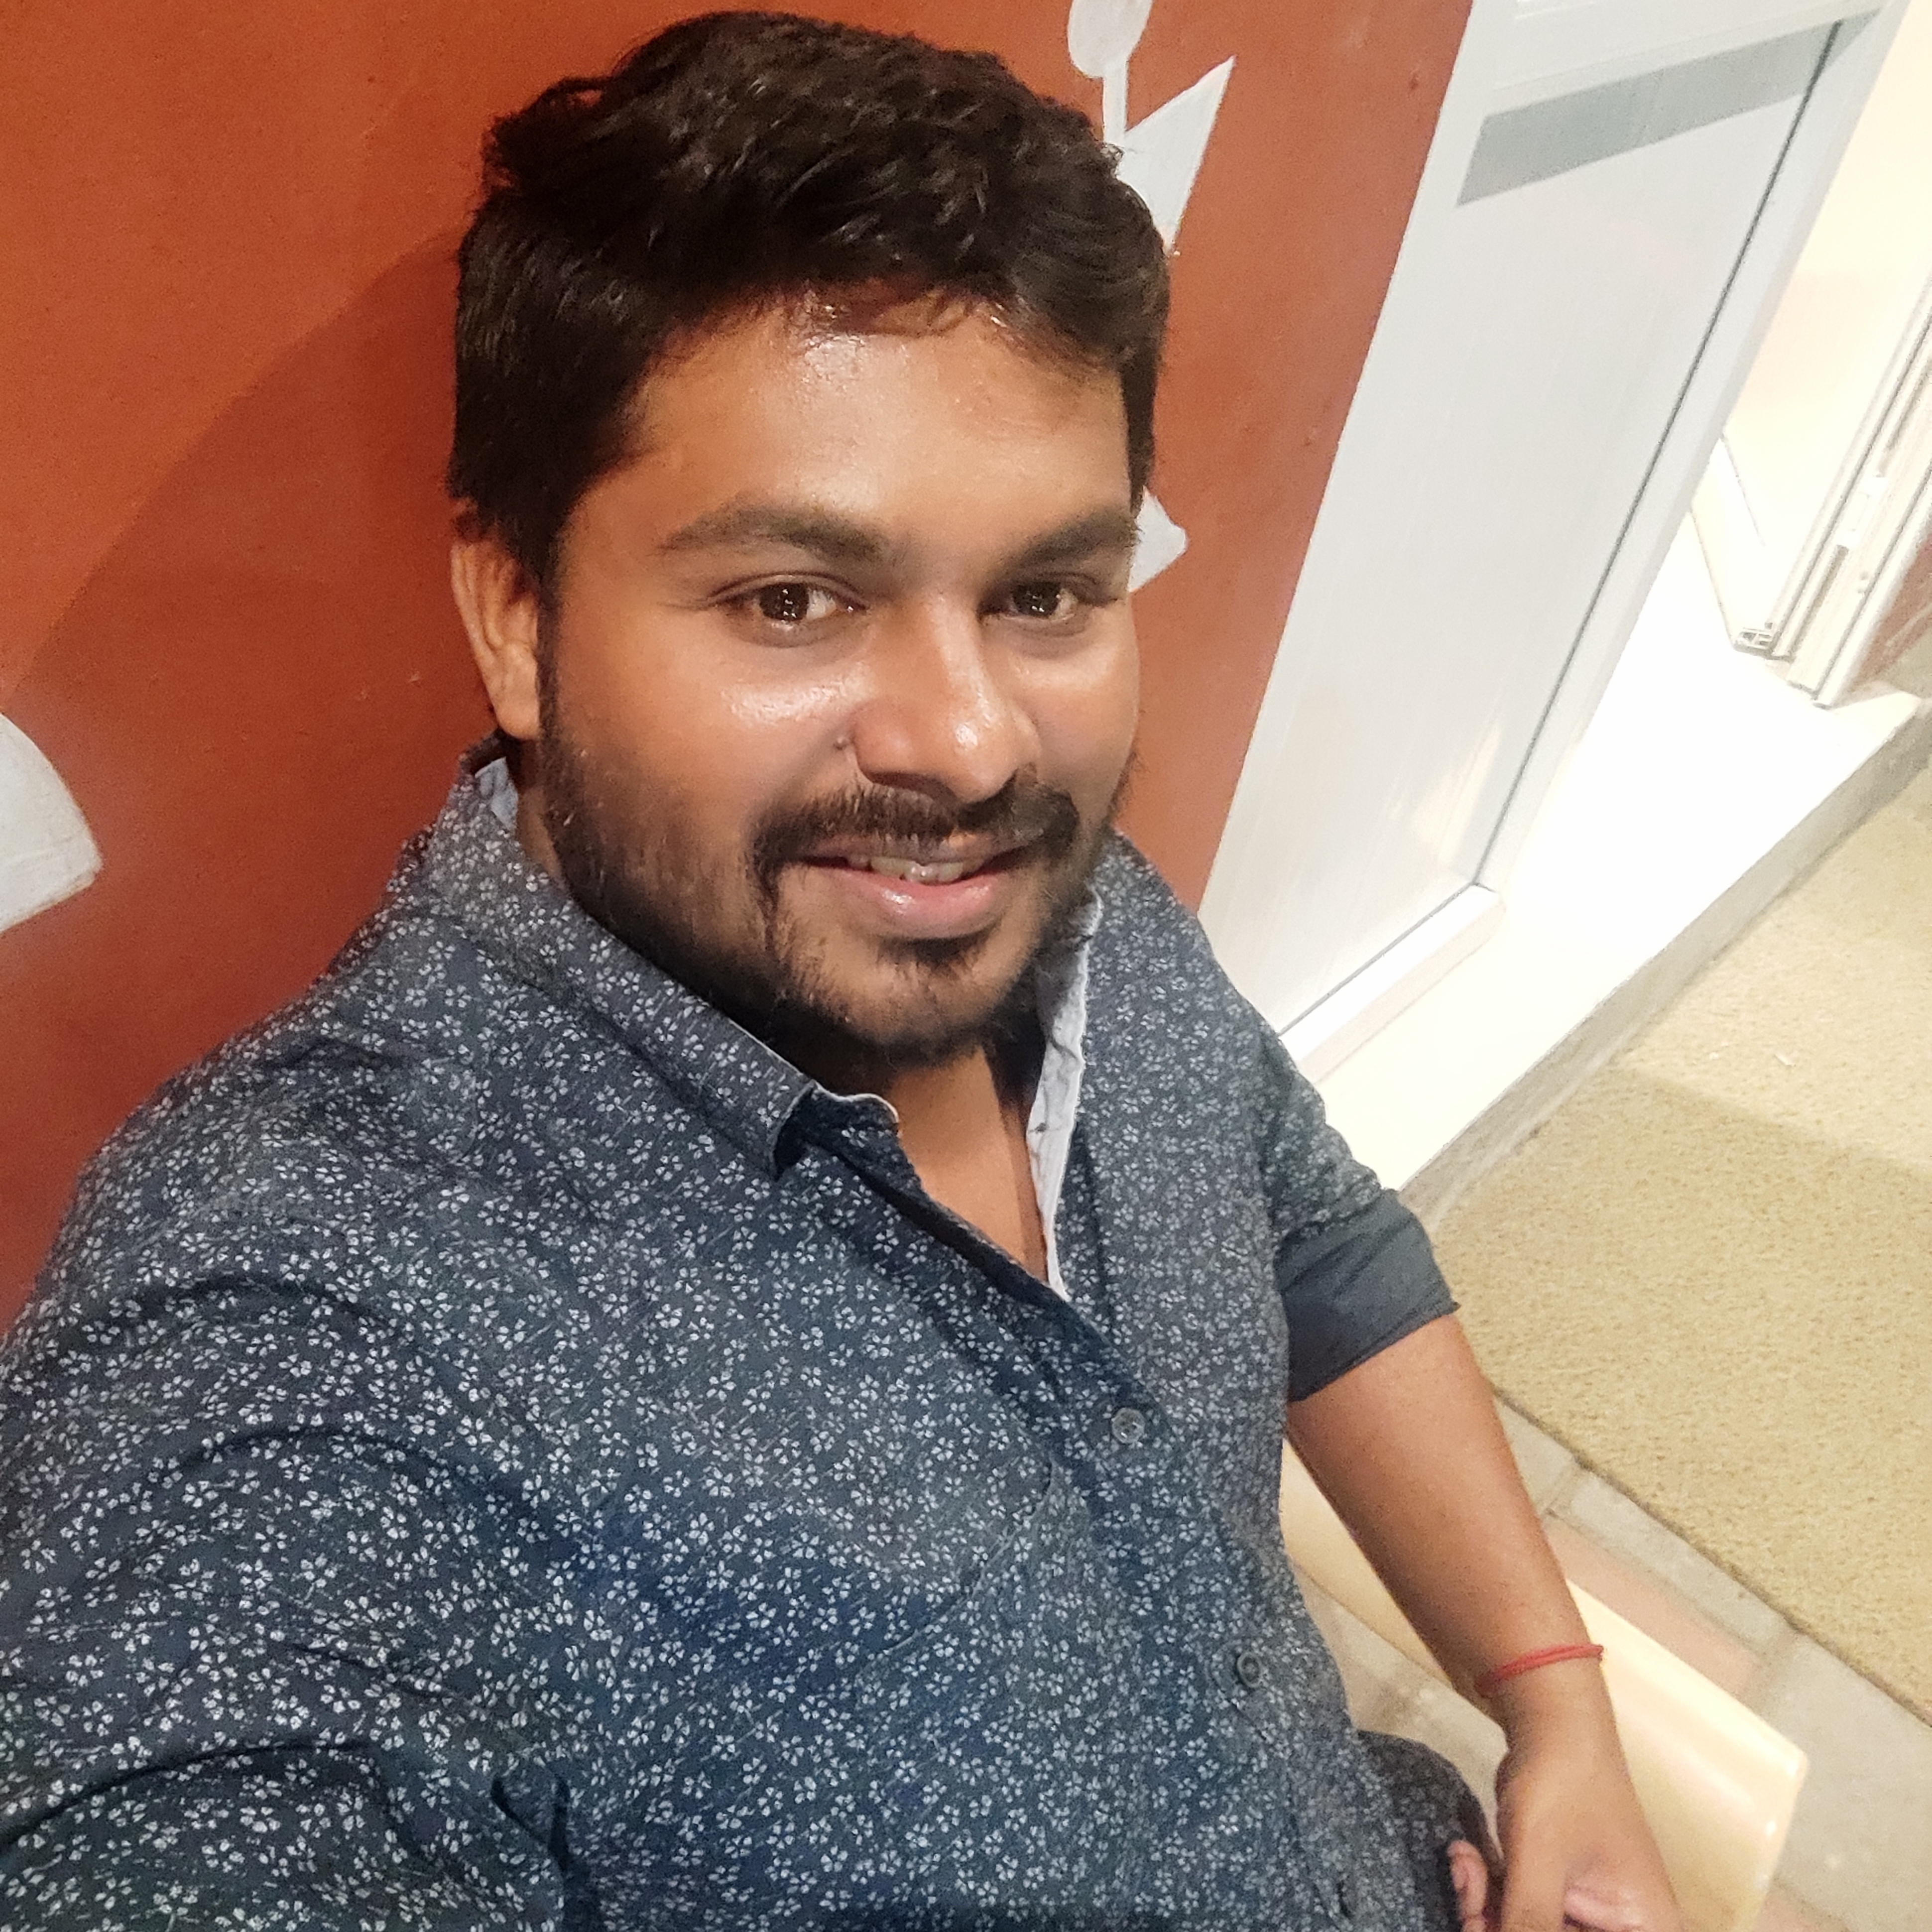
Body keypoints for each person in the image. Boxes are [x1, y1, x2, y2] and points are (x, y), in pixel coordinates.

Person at [0, 13, 1678, 1929]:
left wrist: (1556, 1704)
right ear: (517, 613)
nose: (969, 748)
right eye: (794, 599)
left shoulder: (1067, 910)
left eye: (1045, 594)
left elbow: (1318, 1240)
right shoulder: (300, 1322)